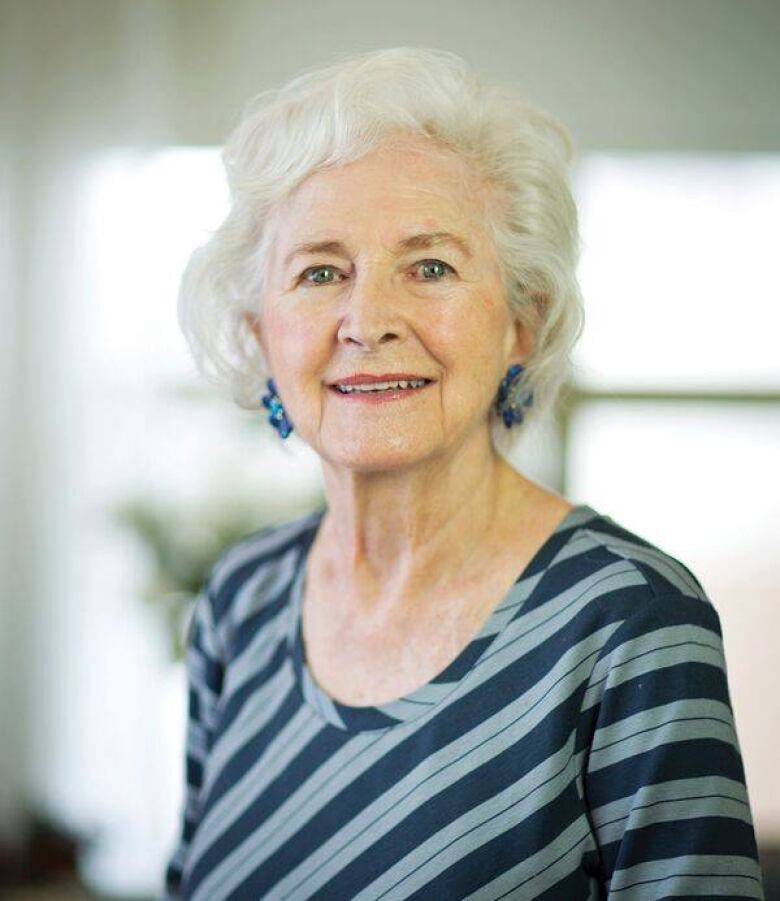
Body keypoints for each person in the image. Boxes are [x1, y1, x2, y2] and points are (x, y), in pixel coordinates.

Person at [165, 47, 764, 900]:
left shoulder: (633, 621)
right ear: (262, 335)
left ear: (522, 321)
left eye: (431, 266)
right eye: (321, 271)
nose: (367, 321)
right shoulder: (239, 600)